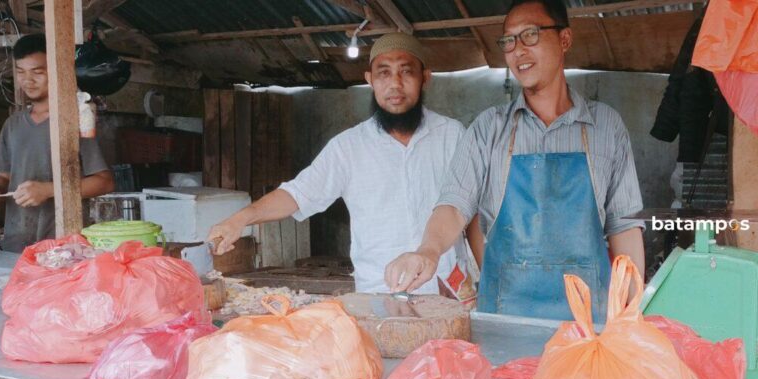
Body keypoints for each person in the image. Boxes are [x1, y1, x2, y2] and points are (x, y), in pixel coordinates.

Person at [384, 0, 645, 321]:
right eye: (509, 40)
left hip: (589, 318)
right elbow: (454, 206)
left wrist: (632, 312)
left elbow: (625, 227)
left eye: (530, 35)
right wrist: (428, 250)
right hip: (506, 313)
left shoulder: (606, 125)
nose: (518, 50)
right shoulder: (488, 128)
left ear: (565, 39)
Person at [209, 33, 478, 295]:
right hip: (380, 292)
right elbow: (297, 194)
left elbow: (471, 210)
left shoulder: (452, 135)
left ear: (425, 79)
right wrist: (240, 219)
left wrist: (486, 275)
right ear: (370, 80)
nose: (395, 84)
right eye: (384, 73)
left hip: (448, 288)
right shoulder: (348, 147)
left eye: (406, 72)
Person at [0, 34, 114, 252]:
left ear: (57, 71)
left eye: (37, 72)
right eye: (20, 72)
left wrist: (48, 190)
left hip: (64, 247)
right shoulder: (13, 124)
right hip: (16, 245)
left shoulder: (78, 120)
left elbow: (104, 182)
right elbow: (5, 176)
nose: (27, 80)